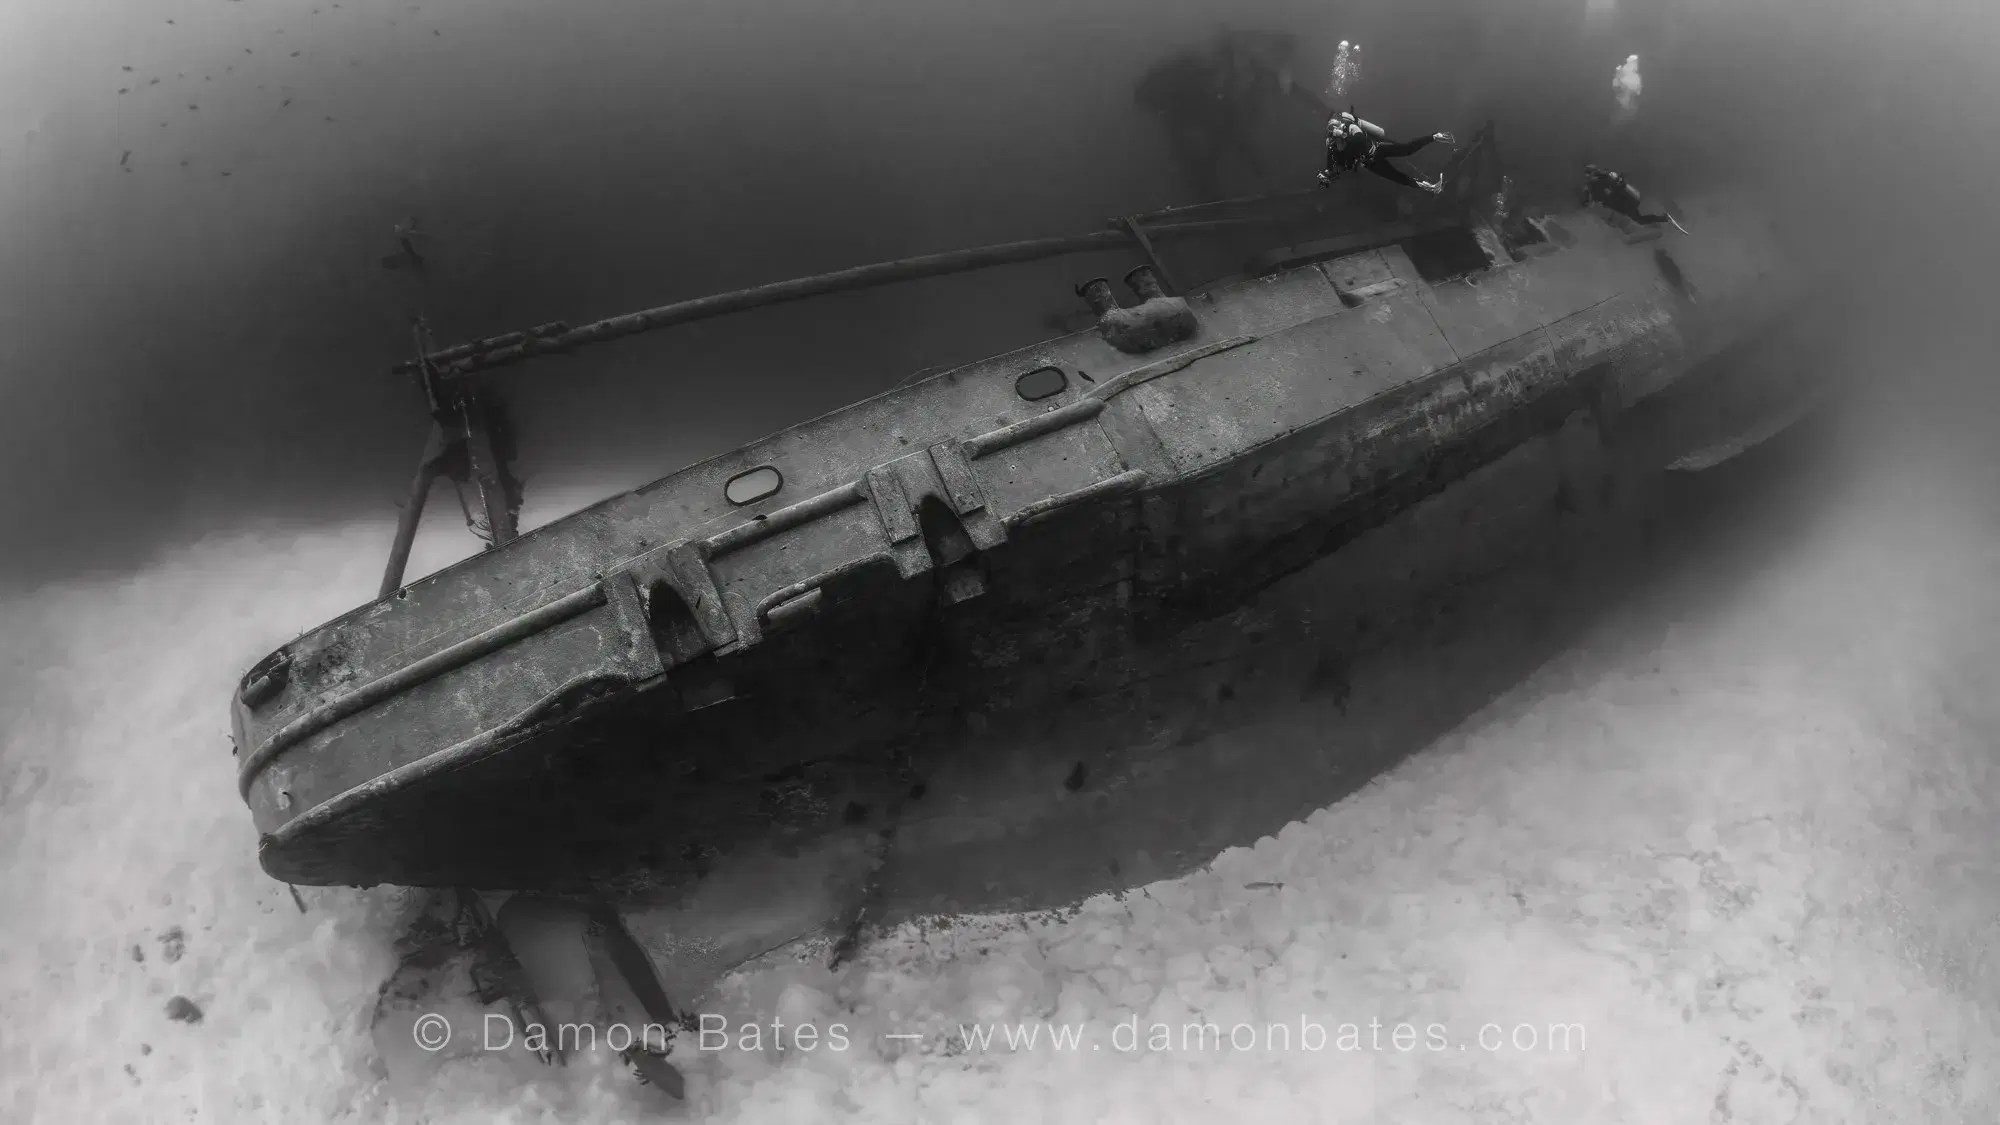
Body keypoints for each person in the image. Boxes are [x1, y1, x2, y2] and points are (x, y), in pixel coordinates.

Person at [1317, 111, 1453, 195]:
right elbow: (1337, 165)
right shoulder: (1333, 146)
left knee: (1407, 149)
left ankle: (1435, 136)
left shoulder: (1349, 126)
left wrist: (1344, 135)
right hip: (1370, 163)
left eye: (1335, 125)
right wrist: (1327, 174)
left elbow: (1360, 139)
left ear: (1339, 123)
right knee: (1398, 177)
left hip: (1378, 149)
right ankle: (1430, 187)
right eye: (1331, 128)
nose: (1334, 129)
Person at [1579, 165, 1688, 232]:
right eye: (1587, 176)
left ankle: (1664, 218)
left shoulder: (1604, 179)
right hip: (1624, 204)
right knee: (1639, 220)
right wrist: (1588, 201)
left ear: (1594, 173)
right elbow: (1594, 201)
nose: (1589, 177)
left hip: (1626, 202)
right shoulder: (1594, 186)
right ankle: (1664, 218)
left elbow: (1614, 187)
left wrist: (1615, 182)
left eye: (1590, 175)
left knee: (1639, 219)